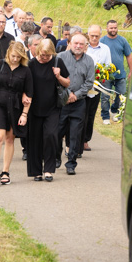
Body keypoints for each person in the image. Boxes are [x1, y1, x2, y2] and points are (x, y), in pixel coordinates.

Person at [0, 41, 33, 187]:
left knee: (10, 139)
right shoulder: (0, 65)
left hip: (16, 107)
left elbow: (29, 94)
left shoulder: (26, 71)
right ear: (8, 54)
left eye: (18, 57)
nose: (15, 59)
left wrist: (24, 114)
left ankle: (5, 171)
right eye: (13, 56)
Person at [27, 40, 69, 182]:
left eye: (47, 55)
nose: (44, 57)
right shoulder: (31, 64)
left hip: (53, 107)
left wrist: (59, 76)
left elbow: (67, 83)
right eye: (42, 55)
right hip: (34, 107)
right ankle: (36, 171)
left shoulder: (58, 62)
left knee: (51, 136)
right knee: (35, 139)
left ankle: (49, 169)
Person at [56, 33, 95, 175]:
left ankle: (71, 163)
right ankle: (56, 157)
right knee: (58, 131)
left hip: (79, 103)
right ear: (70, 43)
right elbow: (56, 79)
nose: (78, 46)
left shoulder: (89, 61)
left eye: (81, 44)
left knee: (75, 134)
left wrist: (75, 95)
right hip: (62, 102)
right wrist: (67, 95)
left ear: (85, 46)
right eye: (75, 43)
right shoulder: (60, 57)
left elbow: (89, 82)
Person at [83, 25, 113, 151]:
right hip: (82, 86)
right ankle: (75, 138)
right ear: (88, 34)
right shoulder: (84, 46)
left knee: (90, 114)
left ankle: (85, 140)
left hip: (96, 87)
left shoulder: (105, 48)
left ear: (100, 36)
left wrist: (101, 76)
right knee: (80, 113)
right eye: (92, 36)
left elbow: (108, 67)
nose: (94, 38)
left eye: (96, 36)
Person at [101, 19, 132, 124]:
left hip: (120, 74)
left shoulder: (122, 40)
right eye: (111, 28)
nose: (113, 29)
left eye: (115, 27)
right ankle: (105, 116)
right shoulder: (102, 41)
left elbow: (129, 56)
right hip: (106, 74)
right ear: (107, 28)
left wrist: (131, 71)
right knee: (105, 96)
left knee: (121, 95)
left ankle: (114, 111)